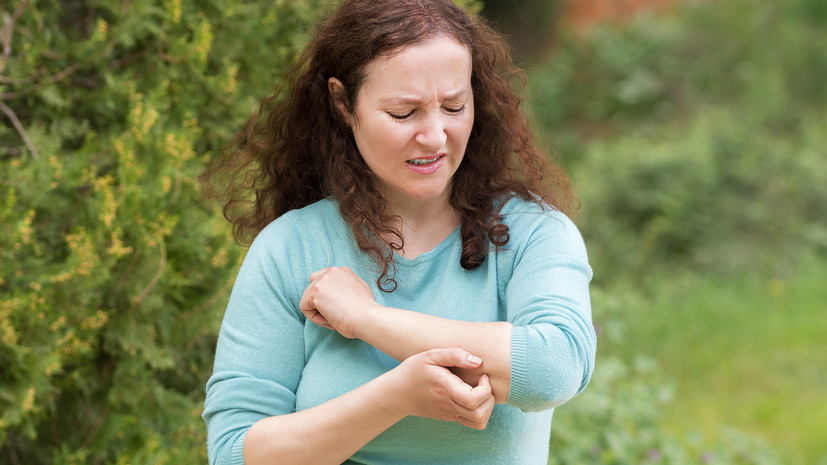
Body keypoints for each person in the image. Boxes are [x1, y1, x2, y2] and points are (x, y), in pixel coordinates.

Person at [201, 0, 596, 464]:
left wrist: (368, 320)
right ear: (343, 103)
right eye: (404, 113)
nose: (434, 136)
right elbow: (232, 454)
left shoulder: (533, 234)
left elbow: (554, 368)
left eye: (454, 105)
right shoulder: (290, 248)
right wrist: (394, 397)